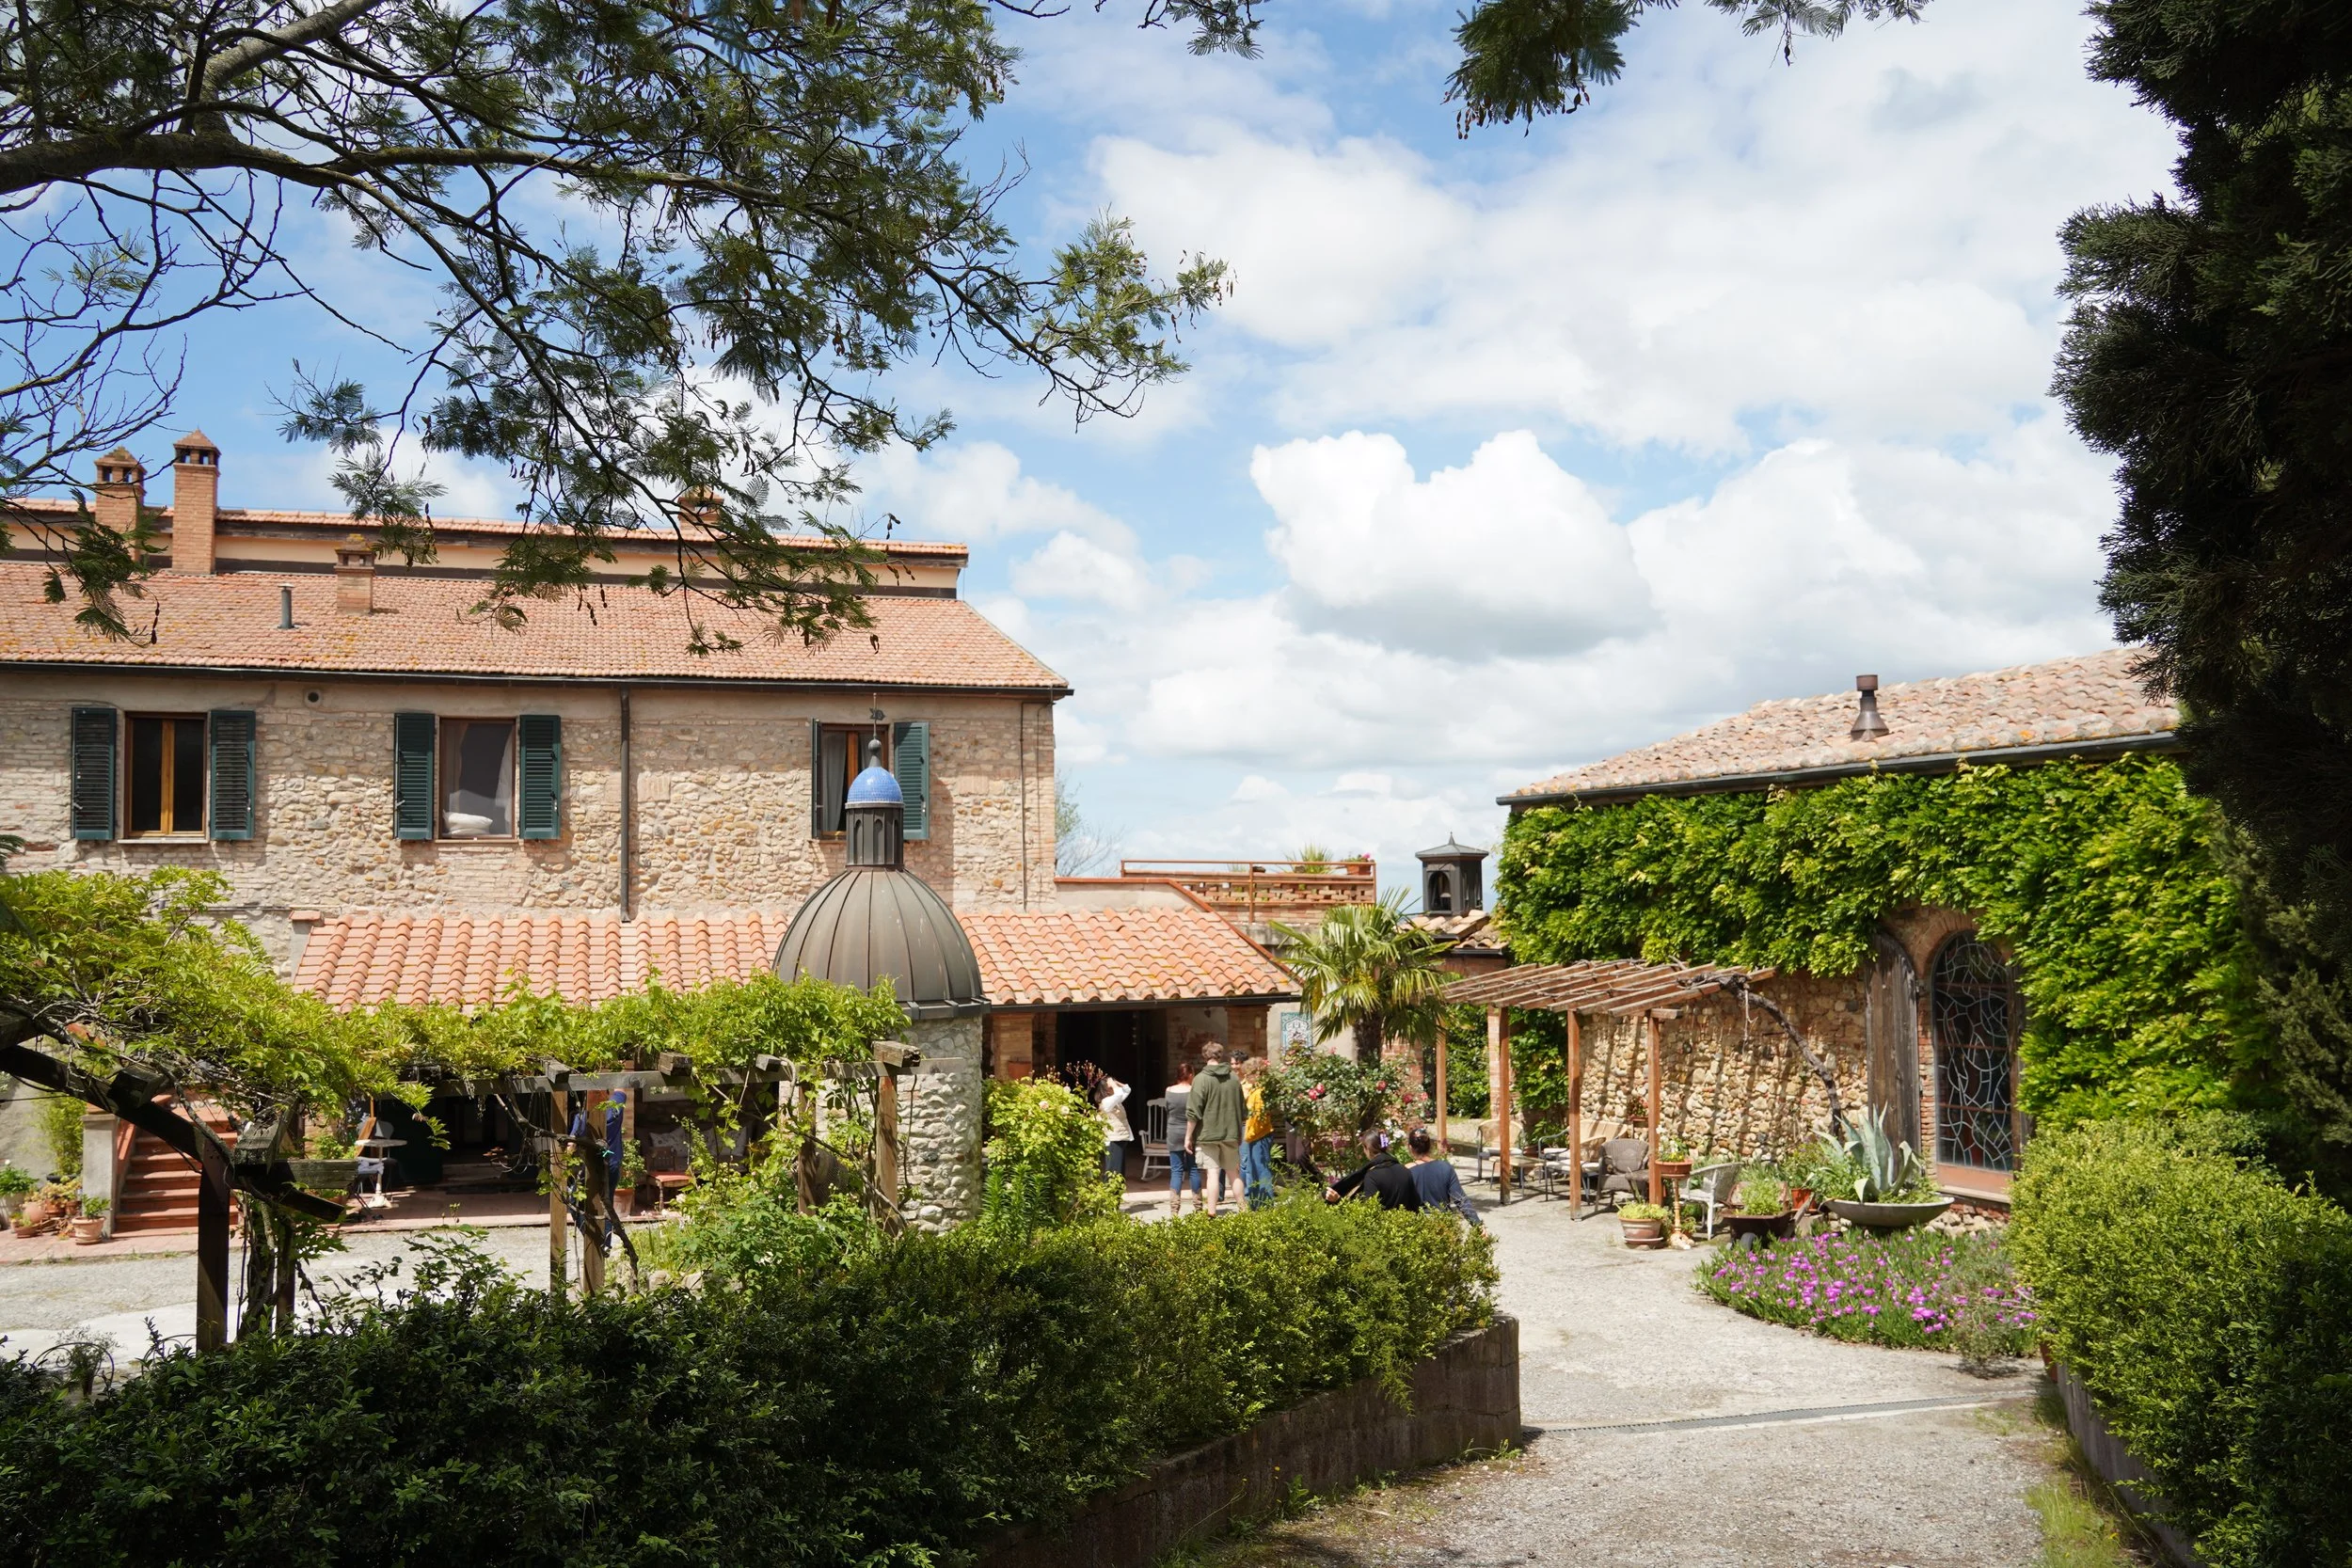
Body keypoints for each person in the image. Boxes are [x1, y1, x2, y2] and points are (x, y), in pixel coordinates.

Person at [1185, 1043, 1248, 1215]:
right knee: (1233, 1174)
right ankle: (1243, 1210)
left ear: (1205, 1056)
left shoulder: (1201, 1079)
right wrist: (1239, 1132)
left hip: (1208, 1134)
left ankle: (1211, 1212)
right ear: (1220, 1056)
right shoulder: (1234, 1078)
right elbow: (1242, 1109)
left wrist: (1188, 1137)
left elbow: (1193, 1112)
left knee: (1212, 1174)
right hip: (1230, 1133)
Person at [1325, 1131, 1424, 1212]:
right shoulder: (1404, 1170)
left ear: (1366, 1148)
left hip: (1383, 1232)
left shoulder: (1372, 1175)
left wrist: (1338, 1201)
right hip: (1405, 1231)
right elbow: (1416, 1205)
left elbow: (1369, 1212)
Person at [1405, 1127, 1481, 1226]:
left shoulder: (1406, 1172)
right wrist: (1478, 1225)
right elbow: (1461, 1200)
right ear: (1430, 1145)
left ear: (1410, 1148)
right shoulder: (1445, 1167)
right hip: (1444, 1225)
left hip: (1418, 1227)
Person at [1164, 1059, 1202, 1216]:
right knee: (1193, 1169)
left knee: (1176, 1171)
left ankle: (1174, 1209)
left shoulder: (1169, 1090)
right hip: (1191, 1133)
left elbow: (1168, 1110)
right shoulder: (1194, 1091)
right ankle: (1198, 1207)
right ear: (1191, 1075)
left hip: (1173, 1132)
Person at [1237, 1056, 1277, 1210]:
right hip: (1255, 1135)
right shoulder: (1255, 1090)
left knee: (1261, 1169)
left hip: (1259, 1136)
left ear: (1256, 1074)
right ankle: (1255, 1203)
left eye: (1248, 1074)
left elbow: (1258, 1119)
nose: (1246, 1077)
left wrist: (1248, 1136)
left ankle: (1265, 1204)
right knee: (1253, 1169)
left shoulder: (1260, 1092)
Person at [1097, 1070, 1134, 1182]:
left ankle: (1116, 1196)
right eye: (1112, 1086)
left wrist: (1116, 1082)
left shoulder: (1115, 1101)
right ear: (1107, 1089)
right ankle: (1109, 1195)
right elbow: (1118, 1094)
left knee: (1119, 1172)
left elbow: (1127, 1089)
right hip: (1113, 1140)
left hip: (1120, 1138)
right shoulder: (1107, 1101)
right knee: (1113, 1171)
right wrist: (1112, 1084)